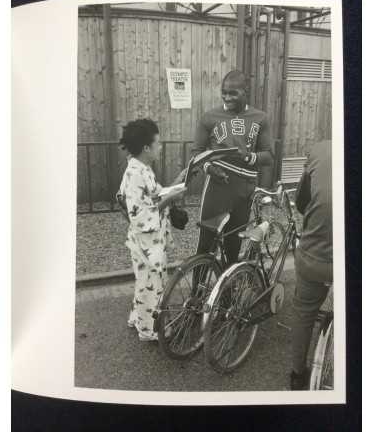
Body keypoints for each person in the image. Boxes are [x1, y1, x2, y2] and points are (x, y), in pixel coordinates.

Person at [191, 70, 273, 263]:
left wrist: (250, 157)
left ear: (246, 91)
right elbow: (196, 153)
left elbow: (269, 156)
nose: (227, 97)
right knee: (206, 244)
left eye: (232, 93)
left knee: (233, 245)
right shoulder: (209, 117)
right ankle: (197, 292)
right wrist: (208, 168)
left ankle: (228, 291)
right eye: (224, 92)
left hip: (245, 189)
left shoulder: (260, 118)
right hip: (217, 187)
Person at [117, 119, 186, 342]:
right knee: (152, 284)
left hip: (147, 240)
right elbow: (141, 214)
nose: (161, 147)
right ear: (146, 148)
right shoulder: (136, 173)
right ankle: (150, 330)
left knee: (145, 281)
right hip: (146, 240)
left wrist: (177, 182)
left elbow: (155, 195)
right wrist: (171, 199)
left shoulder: (140, 168)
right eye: (158, 143)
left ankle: (138, 318)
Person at [290, 139, 333, 390]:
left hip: (313, 256)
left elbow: (302, 201)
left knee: (303, 312)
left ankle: (297, 375)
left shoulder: (320, 149)